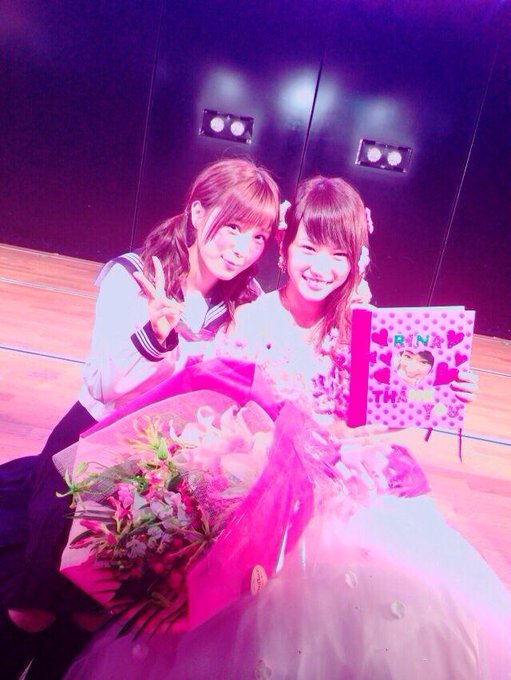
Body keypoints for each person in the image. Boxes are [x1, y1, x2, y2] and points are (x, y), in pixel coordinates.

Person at [64, 177, 510, 680]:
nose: (322, 269)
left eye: (339, 255)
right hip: (273, 497)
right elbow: (228, 414)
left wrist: (445, 390)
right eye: (309, 248)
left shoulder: (362, 327)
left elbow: (380, 416)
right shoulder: (251, 319)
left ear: (356, 260)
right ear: (284, 246)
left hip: (347, 492)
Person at [0, 157, 280, 679]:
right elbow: (104, 386)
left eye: (258, 236)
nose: (241, 248)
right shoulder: (134, 274)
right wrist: (154, 337)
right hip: (88, 449)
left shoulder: (244, 301)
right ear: (198, 213)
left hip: (158, 473)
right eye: (232, 227)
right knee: (33, 606)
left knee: (90, 614)